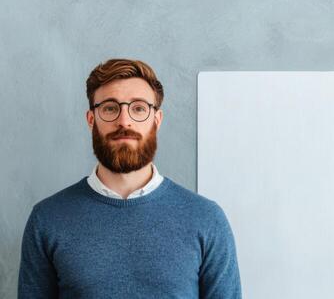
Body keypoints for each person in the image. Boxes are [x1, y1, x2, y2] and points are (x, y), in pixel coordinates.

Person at [17, 59, 242, 298]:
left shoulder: (206, 219)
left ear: (156, 120)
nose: (124, 121)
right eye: (110, 108)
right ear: (91, 119)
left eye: (138, 108)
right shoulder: (47, 219)